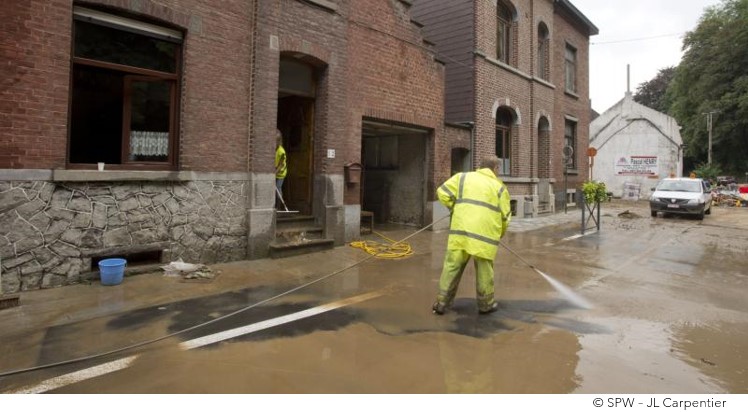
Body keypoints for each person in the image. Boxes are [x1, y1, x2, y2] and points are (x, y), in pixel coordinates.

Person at [432, 156, 512, 315]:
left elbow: (442, 192)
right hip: (484, 239)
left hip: (460, 233)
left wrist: (454, 206)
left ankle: (442, 303)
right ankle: (485, 305)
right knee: (484, 272)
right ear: (495, 169)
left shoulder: (462, 177)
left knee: (451, 268)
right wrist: (499, 234)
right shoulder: (499, 188)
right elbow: (505, 217)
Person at [275, 129, 287, 206]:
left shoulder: (281, 151)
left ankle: (279, 205)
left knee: (278, 188)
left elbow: (281, 165)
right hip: (275, 171)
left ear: (278, 141)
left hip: (281, 173)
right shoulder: (273, 149)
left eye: (275, 141)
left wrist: (275, 173)